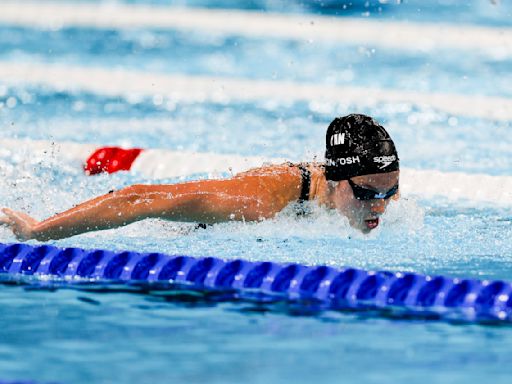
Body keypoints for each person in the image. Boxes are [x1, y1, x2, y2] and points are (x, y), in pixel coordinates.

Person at [0, 114, 399, 241]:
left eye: (390, 191)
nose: (380, 206)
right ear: (334, 178)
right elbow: (140, 198)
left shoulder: (374, 188)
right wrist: (39, 231)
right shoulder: (258, 202)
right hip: (175, 231)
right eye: (366, 193)